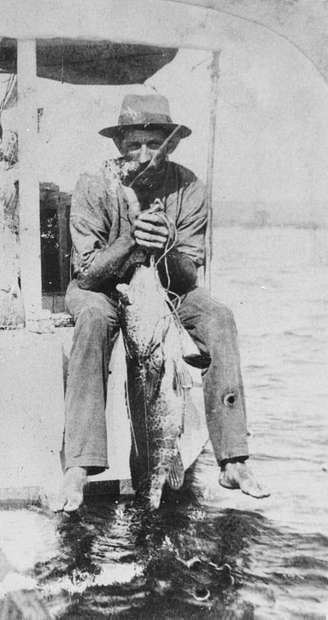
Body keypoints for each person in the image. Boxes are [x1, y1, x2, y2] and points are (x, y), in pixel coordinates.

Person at [60, 94, 269, 511]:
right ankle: (79, 467)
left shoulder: (189, 187)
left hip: (168, 290)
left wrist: (166, 245)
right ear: (119, 145)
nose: (143, 154)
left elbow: (189, 272)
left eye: (154, 144)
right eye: (134, 144)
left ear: (170, 146)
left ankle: (233, 458)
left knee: (219, 318)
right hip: (102, 288)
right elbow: (86, 272)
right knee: (93, 323)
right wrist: (131, 240)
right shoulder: (93, 183)